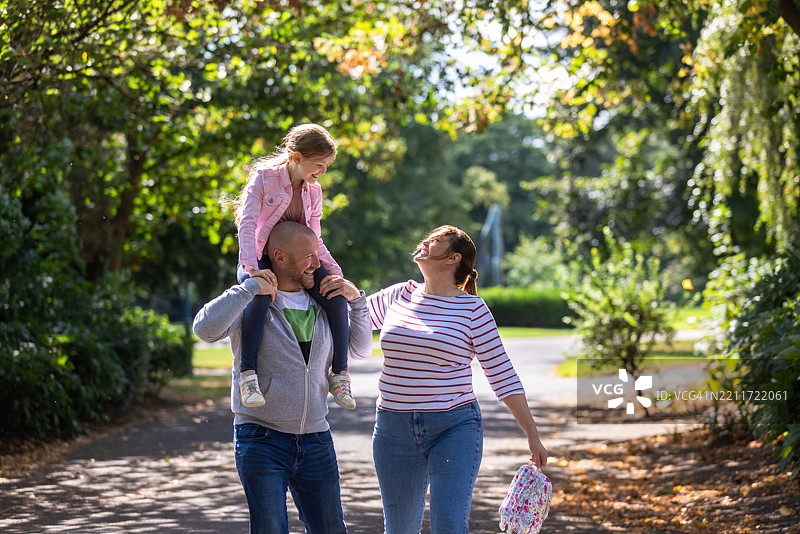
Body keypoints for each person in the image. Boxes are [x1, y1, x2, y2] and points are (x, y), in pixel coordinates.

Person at [366, 225, 549, 534]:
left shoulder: (473, 310)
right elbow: (348, 323)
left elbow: (502, 374)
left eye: (434, 241)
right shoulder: (399, 294)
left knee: (449, 525)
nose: (424, 242)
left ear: (452, 258)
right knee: (399, 529)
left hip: (453, 427)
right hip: (393, 428)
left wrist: (532, 434)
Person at [193, 221, 373, 534]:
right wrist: (248, 288)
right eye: (309, 257)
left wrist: (355, 299)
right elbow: (203, 329)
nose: (318, 264)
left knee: (331, 529)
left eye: (317, 255)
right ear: (280, 257)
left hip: (316, 439)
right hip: (261, 437)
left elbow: (361, 350)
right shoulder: (251, 304)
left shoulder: (325, 304)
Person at [228, 123, 355, 409]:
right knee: (259, 297)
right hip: (259, 255)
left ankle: (339, 374)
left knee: (335, 297)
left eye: (327, 166)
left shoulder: (314, 191)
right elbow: (247, 224)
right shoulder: (264, 178)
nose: (322, 172)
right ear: (296, 157)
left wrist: (335, 272)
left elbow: (314, 239)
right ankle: (248, 376)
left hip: (298, 258)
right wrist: (251, 268)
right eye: (319, 165)